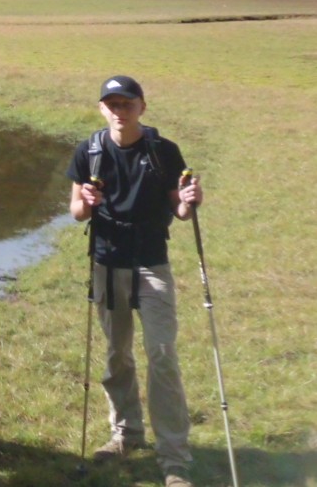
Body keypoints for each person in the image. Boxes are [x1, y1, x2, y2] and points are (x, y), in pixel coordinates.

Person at [68, 75, 203, 487]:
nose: (119, 111)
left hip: (151, 262)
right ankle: (125, 433)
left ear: (142, 107)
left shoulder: (163, 151)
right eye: (111, 104)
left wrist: (189, 200)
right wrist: (86, 204)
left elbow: (179, 211)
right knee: (116, 354)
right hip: (107, 262)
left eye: (126, 104)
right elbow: (75, 210)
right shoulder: (89, 151)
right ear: (101, 109)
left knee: (161, 353)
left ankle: (174, 456)